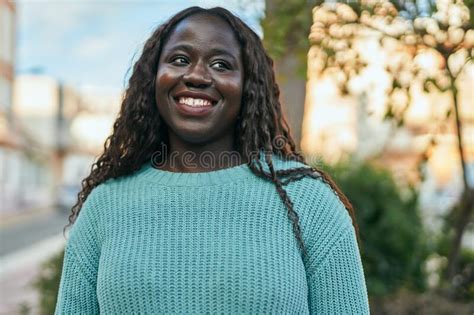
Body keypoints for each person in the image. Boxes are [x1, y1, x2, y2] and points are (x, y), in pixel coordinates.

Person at [55, 6, 370, 314]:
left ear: (248, 87)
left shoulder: (309, 203)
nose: (196, 75)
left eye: (221, 65)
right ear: (153, 78)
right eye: (180, 60)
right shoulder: (106, 206)